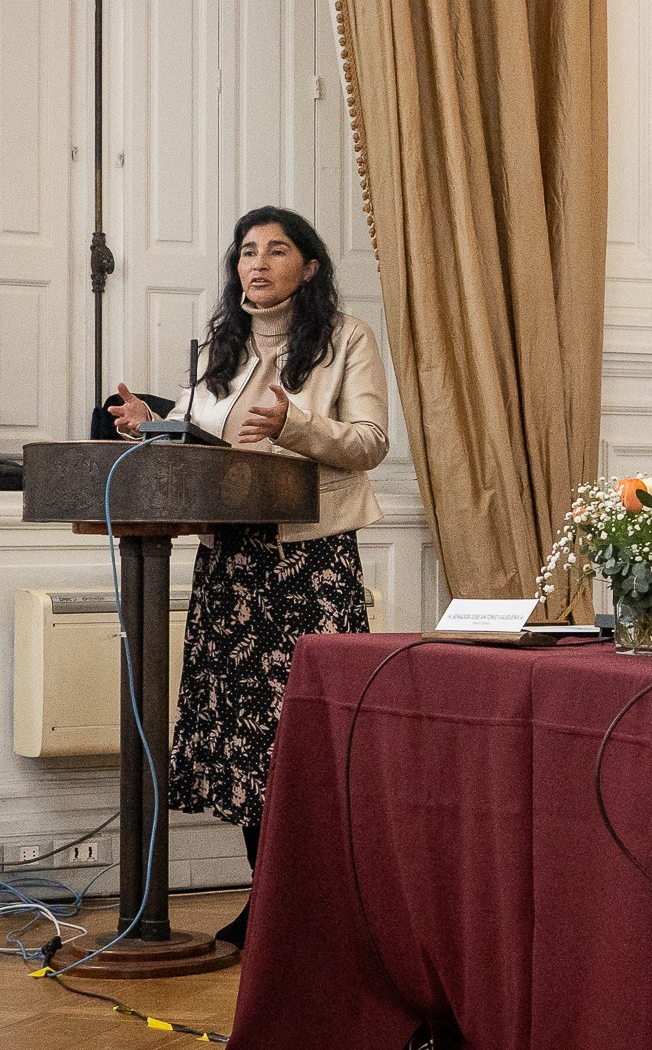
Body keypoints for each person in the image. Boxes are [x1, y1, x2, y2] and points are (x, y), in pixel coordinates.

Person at [109, 206, 388, 948]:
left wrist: (294, 424)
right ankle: (270, 909)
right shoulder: (220, 346)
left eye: (275, 250)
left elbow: (369, 442)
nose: (255, 264)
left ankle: (319, 911)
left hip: (309, 560)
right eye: (245, 253)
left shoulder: (346, 339)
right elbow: (214, 445)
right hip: (232, 560)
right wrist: (157, 423)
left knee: (303, 737)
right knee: (243, 742)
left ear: (311, 266)